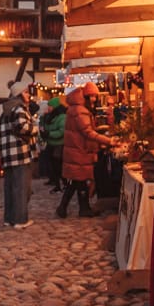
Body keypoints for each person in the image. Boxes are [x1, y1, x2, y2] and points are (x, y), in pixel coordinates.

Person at [56, 86, 113, 218]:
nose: (94, 99)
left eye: (95, 96)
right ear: (85, 96)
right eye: (91, 96)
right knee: (79, 181)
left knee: (77, 181)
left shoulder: (76, 109)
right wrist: (108, 141)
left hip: (77, 149)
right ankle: (80, 208)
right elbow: (87, 132)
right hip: (79, 150)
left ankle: (71, 208)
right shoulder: (80, 111)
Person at [0, 78, 38, 229]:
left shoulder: (6, 109)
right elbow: (23, 128)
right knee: (21, 188)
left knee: (10, 187)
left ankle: (9, 218)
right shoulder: (18, 108)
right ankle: (19, 220)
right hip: (20, 153)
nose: (28, 95)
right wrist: (37, 128)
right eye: (25, 92)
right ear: (19, 94)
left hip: (8, 153)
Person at [43, 96, 67, 192]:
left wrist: (49, 133)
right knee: (53, 166)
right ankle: (57, 184)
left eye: (50, 107)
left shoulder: (62, 117)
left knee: (58, 166)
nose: (48, 108)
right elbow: (46, 127)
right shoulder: (50, 116)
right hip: (51, 144)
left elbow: (62, 131)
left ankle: (64, 184)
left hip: (59, 145)